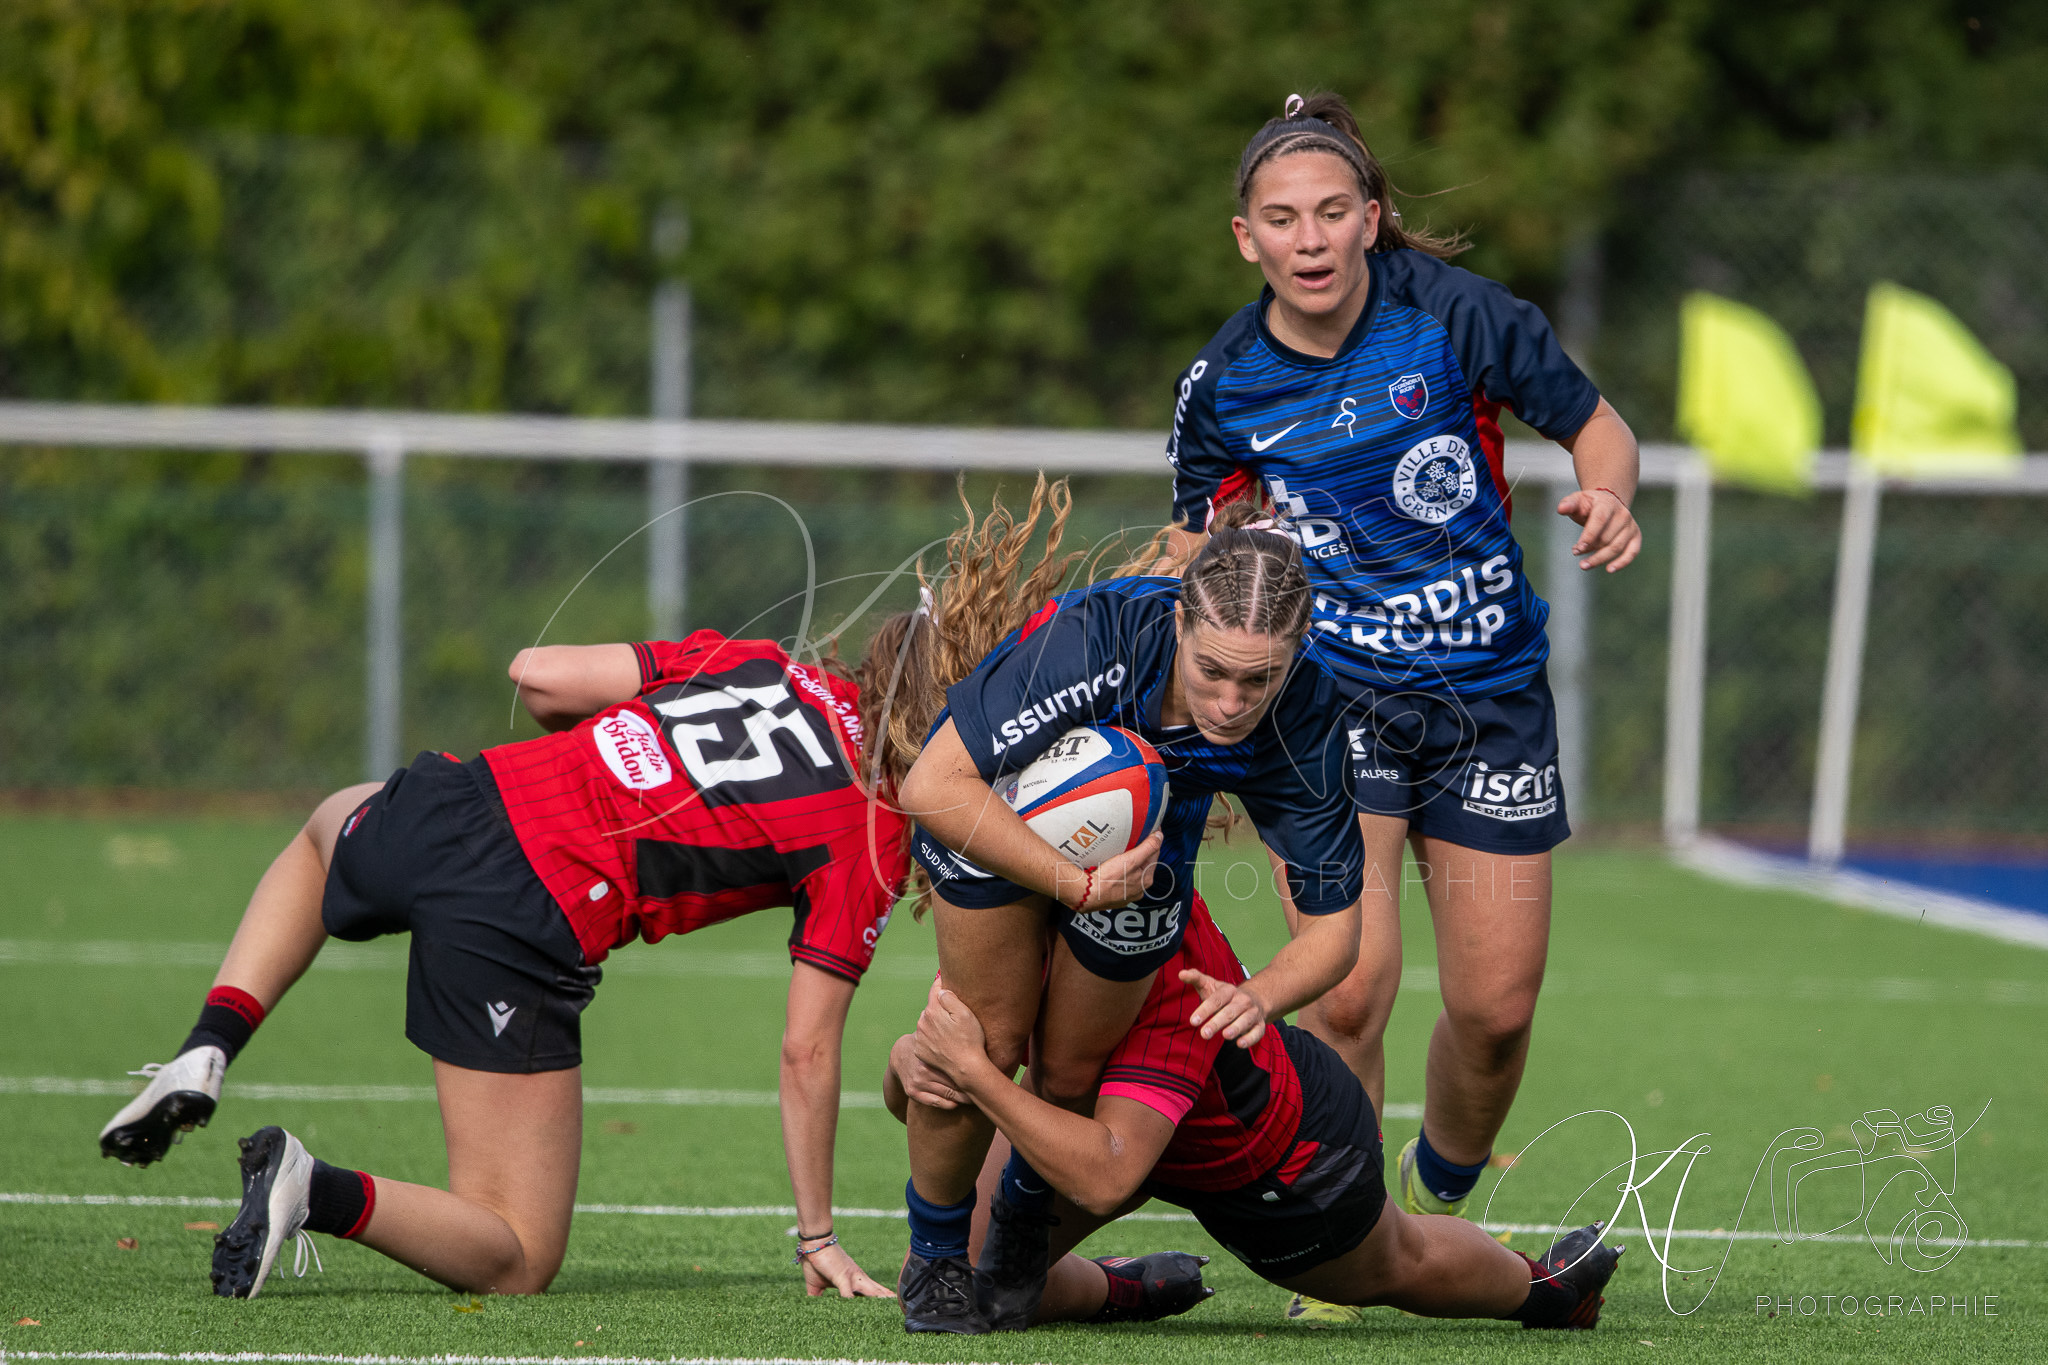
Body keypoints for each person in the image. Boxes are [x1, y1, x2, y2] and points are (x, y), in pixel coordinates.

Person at [1160, 90, 1644, 1322]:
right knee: (1348, 988)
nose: (1310, 237)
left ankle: (1434, 1202)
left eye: (1331, 211)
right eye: (1282, 218)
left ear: (1371, 219)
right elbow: (1195, 539)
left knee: (1491, 1014)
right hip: (1337, 702)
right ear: (1245, 238)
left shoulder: (1456, 317)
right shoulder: (1221, 383)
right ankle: (1345, 1239)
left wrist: (1607, 495)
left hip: (1488, 702)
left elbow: (1596, 428)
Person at [97, 626, 919, 1301]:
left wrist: (636, 742)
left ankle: (209, 1044)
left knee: (326, 827)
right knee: (519, 1255)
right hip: (524, 907)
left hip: (461, 795)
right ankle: (310, 1186)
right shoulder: (876, 825)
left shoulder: (763, 662)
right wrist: (818, 1235)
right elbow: (807, 1049)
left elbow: (537, 676)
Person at [890, 483, 1367, 1333]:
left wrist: (1262, 996)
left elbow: (1335, 930)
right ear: (1180, 625)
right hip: (988, 824)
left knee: (1070, 1072)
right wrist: (1070, 883)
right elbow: (933, 784)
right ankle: (933, 1265)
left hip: (1143, 870)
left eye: (1257, 680)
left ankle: (1022, 1221)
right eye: (1212, 670)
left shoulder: (1309, 714)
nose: (1230, 702)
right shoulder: (1096, 636)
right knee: (992, 1042)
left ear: (1296, 655)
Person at [899, 892, 1626, 1332]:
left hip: (1279, 1154)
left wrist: (972, 1072)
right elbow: (916, 1101)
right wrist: (912, 1062)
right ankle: (1126, 1288)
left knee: (1397, 1261)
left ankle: (1547, 1290)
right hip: (1124, 1132)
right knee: (962, 1283)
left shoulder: (1162, 955)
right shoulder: (1001, 915)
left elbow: (1107, 1173)